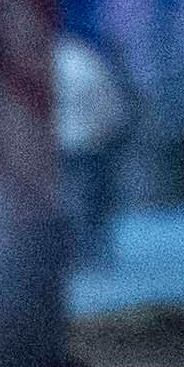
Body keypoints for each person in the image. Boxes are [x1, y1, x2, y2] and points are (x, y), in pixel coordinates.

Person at [55, 29, 134, 269]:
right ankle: (93, 251)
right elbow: (108, 101)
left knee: (73, 202)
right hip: (89, 143)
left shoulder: (61, 61)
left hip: (65, 147)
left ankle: (80, 253)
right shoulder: (82, 59)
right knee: (92, 200)